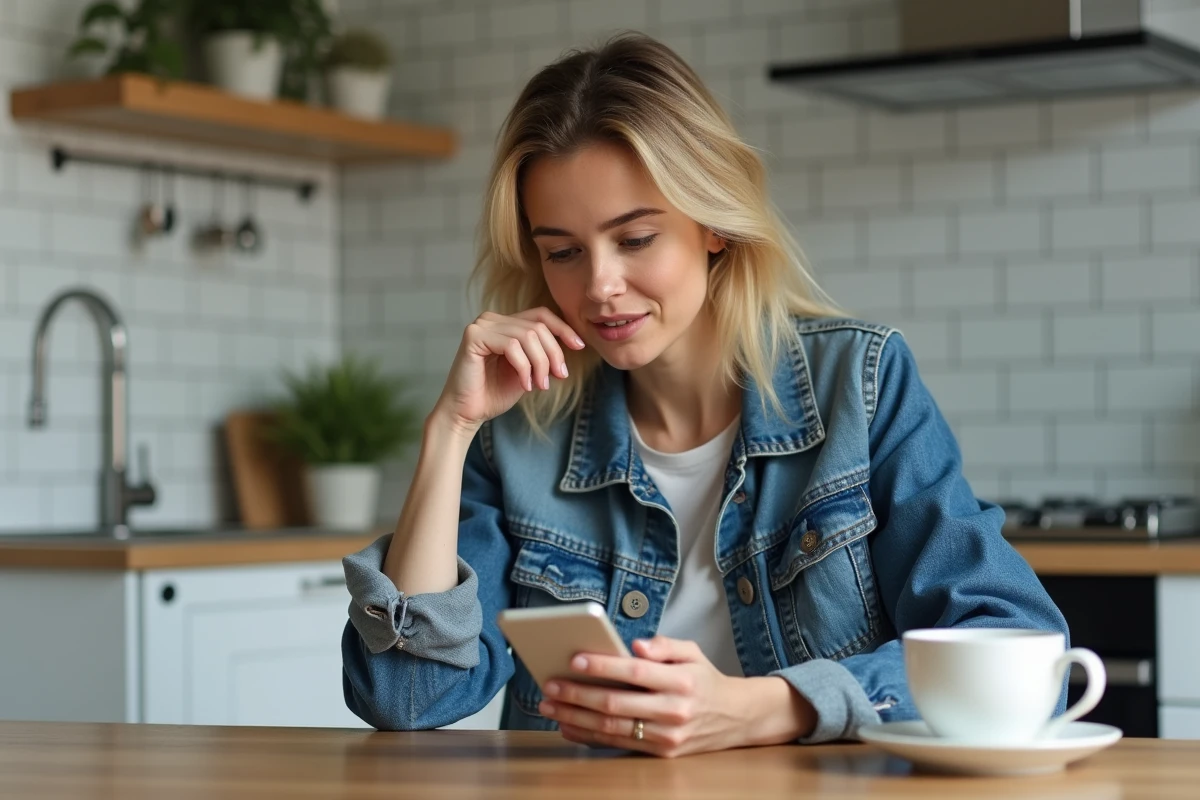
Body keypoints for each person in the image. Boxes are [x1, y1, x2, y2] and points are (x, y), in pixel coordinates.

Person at [340, 32, 1068, 757]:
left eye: (635, 239)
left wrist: (771, 707)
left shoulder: (861, 382)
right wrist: (451, 429)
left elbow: (1020, 652)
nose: (598, 286)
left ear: (713, 223)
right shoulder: (522, 430)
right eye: (562, 251)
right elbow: (407, 696)